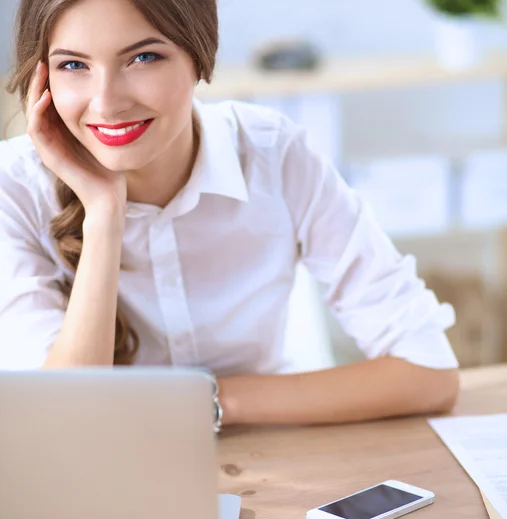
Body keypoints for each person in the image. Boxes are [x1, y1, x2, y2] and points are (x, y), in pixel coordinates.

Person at [0, 0, 459, 428]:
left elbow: (429, 371)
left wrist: (207, 400)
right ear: (44, 81)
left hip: (269, 460)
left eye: (143, 58)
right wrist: (103, 215)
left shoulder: (272, 154)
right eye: (73, 65)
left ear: (200, 55)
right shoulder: (15, 188)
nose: (107, 102)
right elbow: (62, 423)